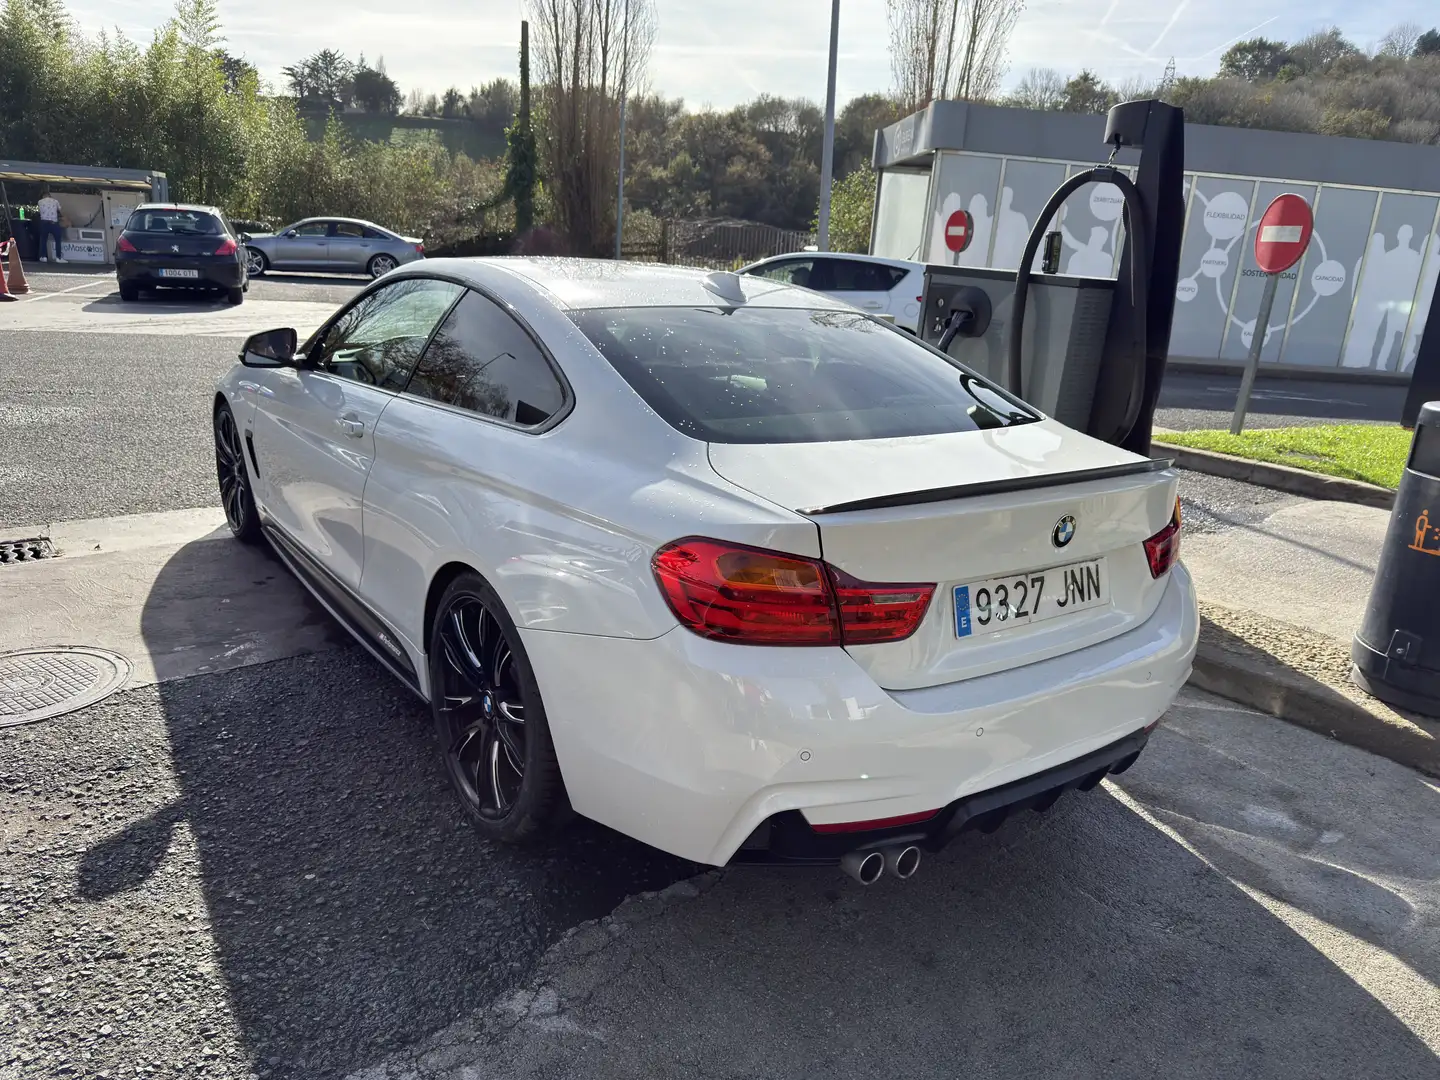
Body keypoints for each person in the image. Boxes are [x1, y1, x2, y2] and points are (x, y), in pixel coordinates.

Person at [35, 188, 66, 264]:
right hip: (54, 223)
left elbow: (39, 211)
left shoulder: (40, 202)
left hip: (44, 223)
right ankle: (58, 257)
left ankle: (43, 257)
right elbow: (59, 210)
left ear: (43, 196)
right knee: (58, 240)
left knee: (43, 240)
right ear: (49, 195)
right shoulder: (55, 201)